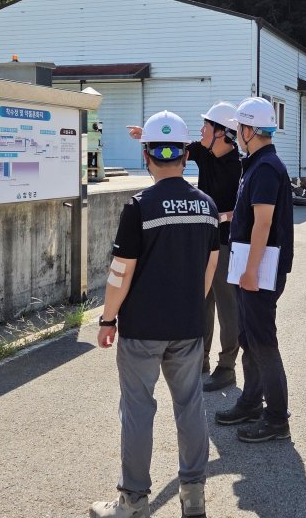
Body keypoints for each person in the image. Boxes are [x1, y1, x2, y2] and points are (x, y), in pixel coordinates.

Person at [90, 111, 219, 518]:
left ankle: (133, 501)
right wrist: (187, 305)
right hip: (188, 325)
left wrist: (108, 319)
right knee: (190, 406)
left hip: (142, 329)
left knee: (137, 410)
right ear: (185, 155)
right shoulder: (206, 206)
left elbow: (120, 272)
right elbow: (209, 268)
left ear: (147, 155)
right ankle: (194, 496)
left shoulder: (139, 207)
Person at [128, 102, 241, 392]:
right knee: (201, 301)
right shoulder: (203, 151)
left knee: (228, 307)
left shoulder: (239, 165)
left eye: (207, 126)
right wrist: (148, 137)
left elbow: (247, 210)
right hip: (203, 240)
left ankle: (226, 367)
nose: (201, 130)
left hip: (227, 243)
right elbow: (173, 149)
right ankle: (199, 358)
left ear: (223, 134)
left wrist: (219, 215)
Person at [214, 97, 294, 443]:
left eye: (237, 130)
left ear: (249, 130)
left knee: (263, 342)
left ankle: (276, 419)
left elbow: (263, 223)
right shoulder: (259, 163)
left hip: (257, 271)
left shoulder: (264, 168)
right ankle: (250, 401)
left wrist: (249, 270)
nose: (236, 136)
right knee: (250, 338)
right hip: (251, 268)